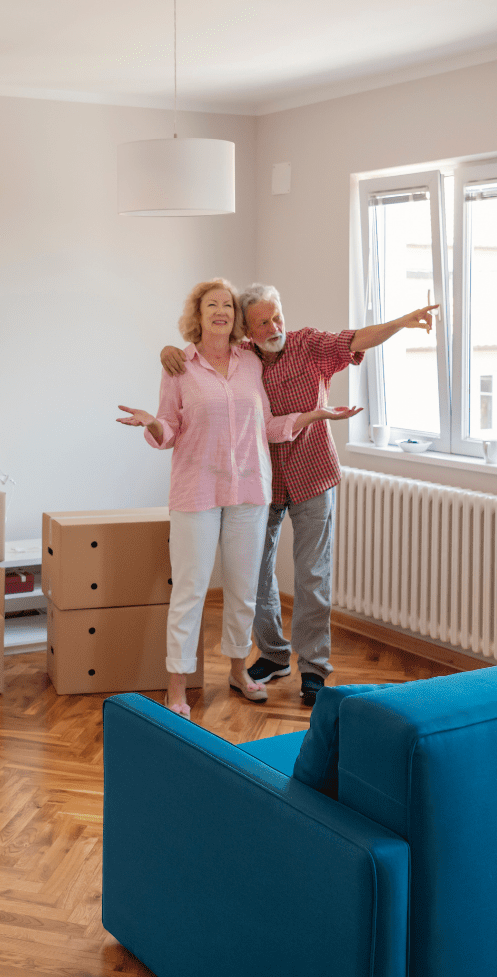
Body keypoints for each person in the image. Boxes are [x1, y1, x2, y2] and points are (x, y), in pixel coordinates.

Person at [160, 284, 436, 704]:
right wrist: (169, 358)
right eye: (263, 322)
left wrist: (398, 323)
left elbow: (354, 339)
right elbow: (180, 413)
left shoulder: (298, 348)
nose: (274, 327)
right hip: (250, 483)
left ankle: (313, 669)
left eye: (277, 317)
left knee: (309, 576)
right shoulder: (232, 360)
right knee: (252, 578)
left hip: (298, 476)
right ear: (247, 331)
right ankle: (272, 655)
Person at [117, 279, 352, 718]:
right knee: (190, 591)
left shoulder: (250, 363)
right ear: (199, 314)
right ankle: (177, 686)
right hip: (196, 492)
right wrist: (152, 424)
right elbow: (169, 430)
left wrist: (316, 415)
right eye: (212, 305)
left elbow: (266, 424)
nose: (221, 311)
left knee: (244, 589)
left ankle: (238, 670)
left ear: (235, 317)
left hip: (249, 490)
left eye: (227, 304)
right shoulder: (178, 366)